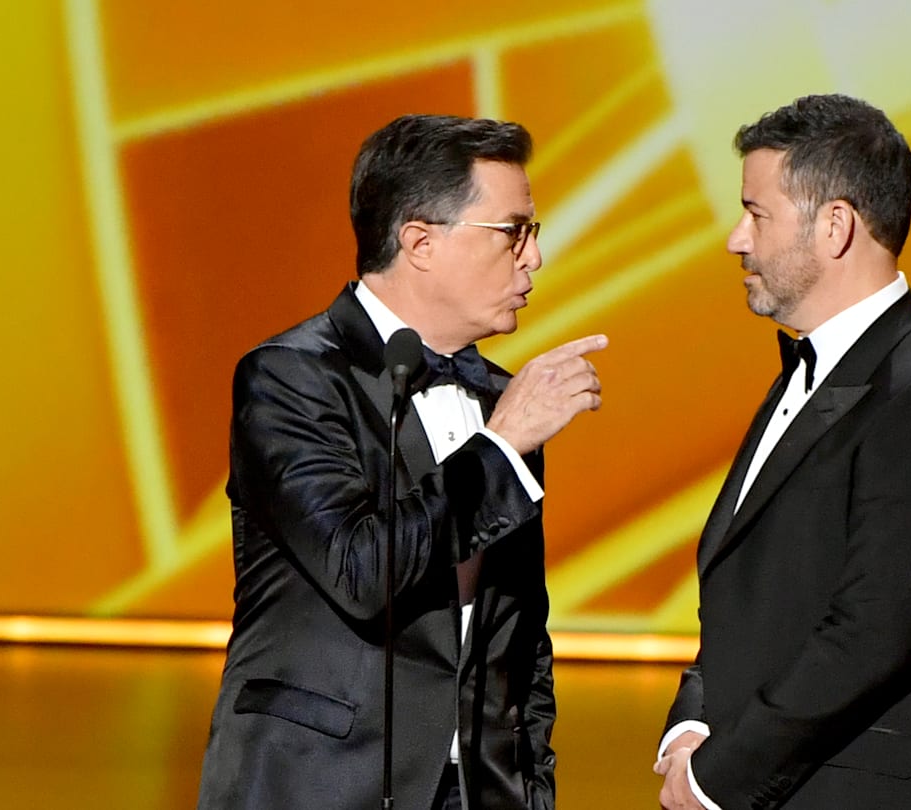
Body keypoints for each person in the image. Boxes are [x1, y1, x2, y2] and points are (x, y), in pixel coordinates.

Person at [197, 113, 606, 810]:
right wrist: (500, 448)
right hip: (323, 786)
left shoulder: (499, 396)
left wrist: (533, 786)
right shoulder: (290, 377)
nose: (534, 257)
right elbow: (360, 569)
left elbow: (520, 634)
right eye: (513, 232)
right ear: (420, 242)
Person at [655, 94, 911, 809]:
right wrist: (692, 721)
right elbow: (756, 596)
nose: (736, 239)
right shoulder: (815, 373)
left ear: (836, 226)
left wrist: (715, 778)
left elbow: (870, 636)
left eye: (757, 215)